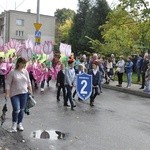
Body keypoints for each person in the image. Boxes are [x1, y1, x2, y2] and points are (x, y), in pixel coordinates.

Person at [5, 57, 32, 132]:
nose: (24, 65)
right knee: (16, 109)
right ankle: (14, 125)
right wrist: (7, 93)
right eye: (23, 63)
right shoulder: (12, 72)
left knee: (22, 109)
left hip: (24, 93)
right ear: (19, 63)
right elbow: (8, 83)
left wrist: (30, 90)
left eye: (25, 63)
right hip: (14, 94)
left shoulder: (25, 71)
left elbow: (28, 81)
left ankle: (19, 123)